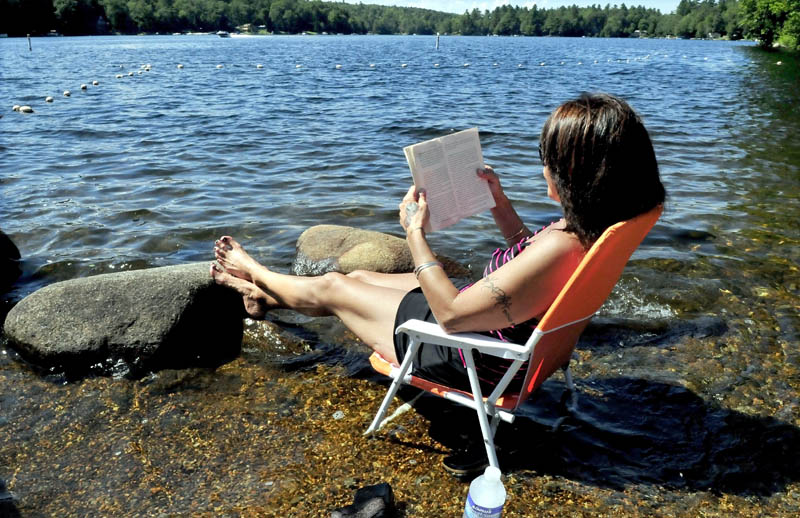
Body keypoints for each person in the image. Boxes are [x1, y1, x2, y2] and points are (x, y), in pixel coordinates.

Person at [211, 91, 665, 401]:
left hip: (471, 357)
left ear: (574, 173)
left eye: (546, 159)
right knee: (361, 275)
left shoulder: (563, 247)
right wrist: (499, 204)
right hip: (495, 331)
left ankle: (256, 274)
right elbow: (534, 259)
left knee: (334, 285)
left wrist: (414, 233)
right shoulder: (598, 228)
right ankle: (264, 297)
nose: (542, 167)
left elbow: (448, 316)